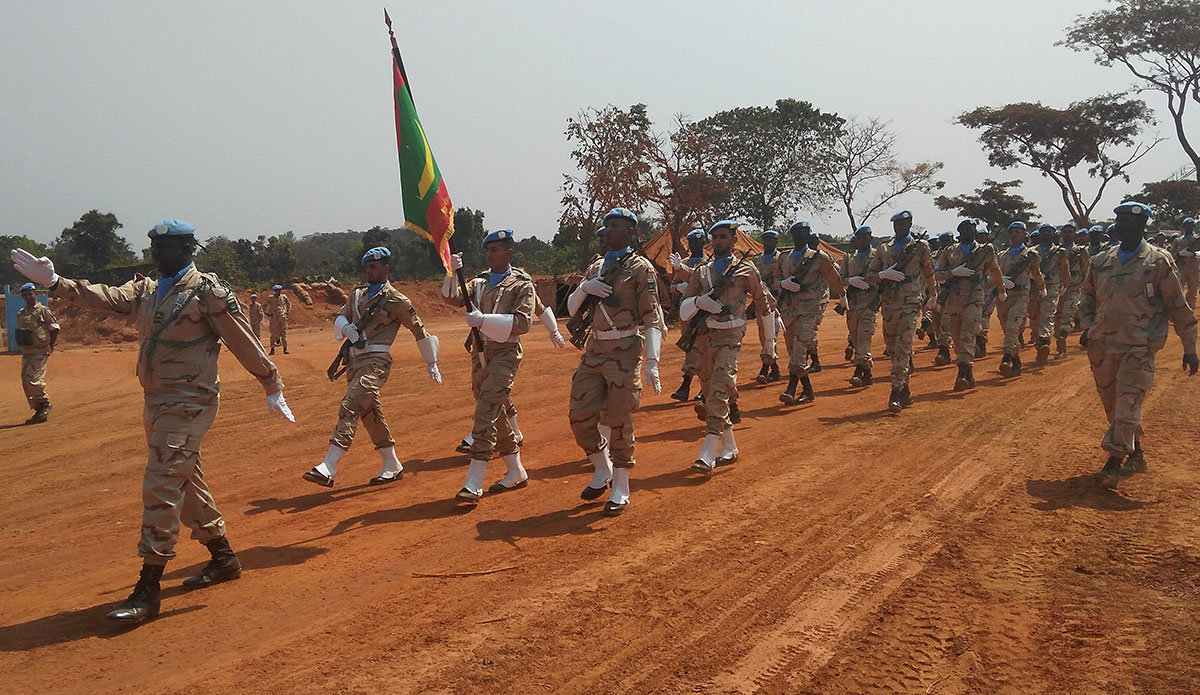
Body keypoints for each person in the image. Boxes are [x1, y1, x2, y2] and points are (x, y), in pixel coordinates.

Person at [11, 219, 295, 625]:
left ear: (187, 249)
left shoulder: (206, 292)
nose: (156, 255)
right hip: (157, 400)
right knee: (183, 477)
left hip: (191, 401)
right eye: (153, 249)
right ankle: (223, 556)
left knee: (161, 481)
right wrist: (56, 282)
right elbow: (105, 298)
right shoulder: (146, 288)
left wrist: (271, 383)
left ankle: (149, 587)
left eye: (165, 249)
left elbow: (241, 338)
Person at [1079, 202, 1197, 488]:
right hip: (1104, 346)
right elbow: (1087, 297)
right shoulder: (1101, 260)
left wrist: (1190, 348)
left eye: (1128, 223)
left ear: (1142, 225)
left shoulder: (1158, 261)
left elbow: (1178, 306)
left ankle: (1113, 462)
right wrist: (1087, 326)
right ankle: (1138, 454)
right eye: (1118, 221)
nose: (1121, 226)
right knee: (1113, 408)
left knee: (1127, 404)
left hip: (1139, 346)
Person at [303, 246, 441, 488]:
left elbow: (418, 329)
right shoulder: (357, 294)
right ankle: (392, 464)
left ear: (386, 268)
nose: (369, 270)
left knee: (350, 405)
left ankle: (329, 466)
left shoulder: (397, 300)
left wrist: (431, 362)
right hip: (355, 361)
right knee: (369, 414)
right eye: (367, 266)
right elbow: (339, 316)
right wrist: (346, 328)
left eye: (374, 266)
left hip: (376, 361)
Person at [566, 208, 662, 516]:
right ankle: (602, 468)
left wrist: (652, 361)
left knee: (620, 422)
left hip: (624, 352)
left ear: (631, 232)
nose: (608, 231)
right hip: (594, 350)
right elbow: (570, 308)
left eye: (616, 226)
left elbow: (653, 319)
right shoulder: (595, 267)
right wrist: (584, 287)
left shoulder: (641, 269)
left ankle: (621, 485)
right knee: (579, 417)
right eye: (606, 226)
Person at [439, 230, 537, 503]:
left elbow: (522, 324)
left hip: (504, 353)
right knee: (497, 410)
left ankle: (474, 481)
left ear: (509, 253)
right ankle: (516, 470)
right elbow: (452, 297)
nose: (490, 254)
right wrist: (450, 271)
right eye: (487, 249)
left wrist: (483, 320)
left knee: (485, 412)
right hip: (480, 354)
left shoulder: (522, 284)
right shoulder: (479, 282)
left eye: (495, 249)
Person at [679, 220, 774, 472]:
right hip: (706, 338)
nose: (719, 241)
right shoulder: (701, 272)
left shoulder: (747, 270)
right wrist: (700, 302)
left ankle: (707, 452)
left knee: (719, 390)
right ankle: (730, 448)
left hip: (731, 338)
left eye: (724, 236)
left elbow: (765, 308)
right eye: (716, 237)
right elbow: (684, 309)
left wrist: (770, 346)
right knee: (711, 393)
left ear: (734, 240)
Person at [867, 210, 936, 412]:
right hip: (888, 305)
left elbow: (929, 272)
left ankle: (895, 392)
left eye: (903, 223)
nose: (899, 227)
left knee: (904, 347)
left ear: (910, 224)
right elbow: (870, 275)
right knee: (892, 349)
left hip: (910, 304)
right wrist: (882, 274)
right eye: (896, 224)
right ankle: (905, 390)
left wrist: (933, 295)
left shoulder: (920, 247)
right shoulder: (883, 248)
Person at [933, 219, 1006, 390]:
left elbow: (995, 270)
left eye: (971, 228)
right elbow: (935, 274)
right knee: (957, 338)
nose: (968, 231)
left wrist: (1001, 289)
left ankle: (963, 371)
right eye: (964, 229)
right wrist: (953, 273)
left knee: (968, 333)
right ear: (959, 232)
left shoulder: (985, 251)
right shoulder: (949, 252)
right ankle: (967, 370)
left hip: (974, 299)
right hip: (954, 301)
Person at [996, 222, 1046, 377]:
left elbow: (1036, 273)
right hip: (1004, 297)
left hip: (1021, 296)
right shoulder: (1002, 255)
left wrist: (1042, 287)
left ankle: (1006, 358)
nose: (1013, 235)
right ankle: (1016, 360)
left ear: (1025, 234)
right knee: (1007, 330)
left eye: (1017, 232)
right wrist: (1001, 280)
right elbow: (992, 274)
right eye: (1011, 232)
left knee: (1012, 327)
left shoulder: (1030, 255)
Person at [669, 228, 708, 401]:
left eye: (698, 242)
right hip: (687, 312)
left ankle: (696, 385)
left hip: (704, 312)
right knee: (690, 347)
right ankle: (688, 386)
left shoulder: (709, 263)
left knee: (705, 349)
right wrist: (679, 287)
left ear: (703, 243)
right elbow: (672, 286)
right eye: (692, 242)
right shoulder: (682, 262)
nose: (695, 245)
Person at [840, 225, 879, 387]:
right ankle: (867, 373)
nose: (862, 240)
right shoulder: (849, 258)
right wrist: (850, 281)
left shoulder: (878, 256)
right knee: (855, 338)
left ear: (870, 238)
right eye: (859, 238)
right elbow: (841, 278)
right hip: (853, 304)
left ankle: (857, 371)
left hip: (870, 303)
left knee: (864, 336)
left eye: (865, 237)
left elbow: (883, 277)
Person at [15, 282, 59, 423]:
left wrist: (50, 346)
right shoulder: (21, 313)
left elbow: (54, 328)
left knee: (32, 379)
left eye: (30, 294)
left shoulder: (42, 310)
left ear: (36, 295)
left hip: (40, 351)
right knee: (25, 380)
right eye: (25, 295)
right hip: (27, 351)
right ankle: (39, 409)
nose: (28, 297)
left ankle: (45, 403)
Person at [1031, 224, 1070, 363]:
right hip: (1033, 288)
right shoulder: (1031, 251)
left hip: (1052, 286)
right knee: (1034, 317)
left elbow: (1065, 270)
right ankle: (1039, 345)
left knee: (1047, 314)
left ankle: (1044, 340)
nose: (1046, 234)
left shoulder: (1059, 251)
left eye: (1049, 232)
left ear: (1054, 234)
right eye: (1044, 232)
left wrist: (1065, 287)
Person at [1055, 221, 1090, 355]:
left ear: (1074, 234)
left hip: (1075, 287)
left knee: (1068, 313)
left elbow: (1086, 269)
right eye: (1065, 232)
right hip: (1058, 287)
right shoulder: (1056, 252)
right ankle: (1061, 346)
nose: (1067, 234)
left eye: (1070, 232)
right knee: (1056, 317)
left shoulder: (1081, 251)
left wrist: (1087, 287)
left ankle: (1063, 336)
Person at [752, 229, 783, 384]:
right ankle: (775, 369)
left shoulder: (782, 259)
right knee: (764, 335)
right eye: (764, 240)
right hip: (760, 302)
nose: (766, 243)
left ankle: (765, 369)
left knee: (772, 334)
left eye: (770, 240)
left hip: (776, 302)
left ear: (776, 242)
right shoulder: (756, 260)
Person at [975, 224, 997, 356]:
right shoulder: (973, 252)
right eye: (979, 237)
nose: (981, 239)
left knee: (984, 316)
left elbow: (996, 271)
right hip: (974, 290)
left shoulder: (991, 252)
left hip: (989, 289)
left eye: (983, 237)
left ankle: (981, 344)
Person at [1171, 216, 1198, 310]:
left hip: (1194, 268)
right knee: (1179, 291)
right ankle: (1179, 311)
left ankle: (1190, 310)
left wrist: (1197, 254)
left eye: (1190, 225)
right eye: (1187, 225)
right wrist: (1178, 254)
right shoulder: (1178, 240)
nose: (1188, 227)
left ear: (1193, 226)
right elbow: (1171, 253)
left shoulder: (1197, 239)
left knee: (1192, 292)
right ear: (1184, 227)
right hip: (1181, 268)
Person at [264, 284, 290, 354]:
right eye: (276, 290)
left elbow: (288, 304)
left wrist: (287, 312)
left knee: (283, 333)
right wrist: (267, 312)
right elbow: (264, 305)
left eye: (279, 290)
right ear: (274, 291)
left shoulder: (284, 297)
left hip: (282, 317)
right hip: (274, 318)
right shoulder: (270, 298)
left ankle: (285, 348)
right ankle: (272, 349)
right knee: (273, 334)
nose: (278, 292)